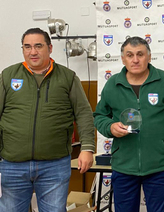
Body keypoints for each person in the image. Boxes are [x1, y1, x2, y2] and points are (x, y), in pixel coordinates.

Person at [0, 28, 95, 212]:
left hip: (54, 165)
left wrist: (87, 148)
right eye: (27, 46)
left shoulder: (67, 77)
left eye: (38, 46)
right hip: (12, 165)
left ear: (50, 48)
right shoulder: (8, 75)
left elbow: (84, 113)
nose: (32, 52)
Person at [93, 36, 164, 212]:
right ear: (123, 59)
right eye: (130, 55)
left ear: (149, 57)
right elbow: (99, 116)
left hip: (157, 165)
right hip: (124, 166)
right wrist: (110, 127)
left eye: (140, 54)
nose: (135, 60)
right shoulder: (113, 84)